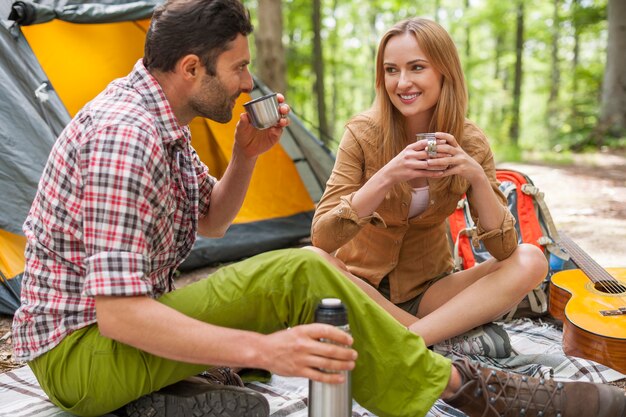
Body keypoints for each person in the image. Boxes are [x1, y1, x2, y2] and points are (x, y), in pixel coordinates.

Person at [11, 3, 626, 417]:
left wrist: (247, 157)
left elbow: (213, 225)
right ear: (192, 67)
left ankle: (173, 393)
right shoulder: (127, 135)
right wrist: (264, 351)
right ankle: (477, 392)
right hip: (83, 354)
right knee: (299, 271)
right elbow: (119, 318)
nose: (248, 82)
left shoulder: (162, 122)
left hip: (111, 339)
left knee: (290, 282)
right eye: (240, 66)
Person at [311, 17, 547, 358]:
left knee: (531, 259)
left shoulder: (470, 141)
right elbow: (323, 238)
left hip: (430, 292)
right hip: (361, 287)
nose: (402, 82)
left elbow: (504, 250)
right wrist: (387, 176)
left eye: (416, 67)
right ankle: (432, 339)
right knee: (312, 259)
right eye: (391, 70)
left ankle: (405, 340)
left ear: (443, 72)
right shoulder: (362, 134)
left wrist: (477, 178)